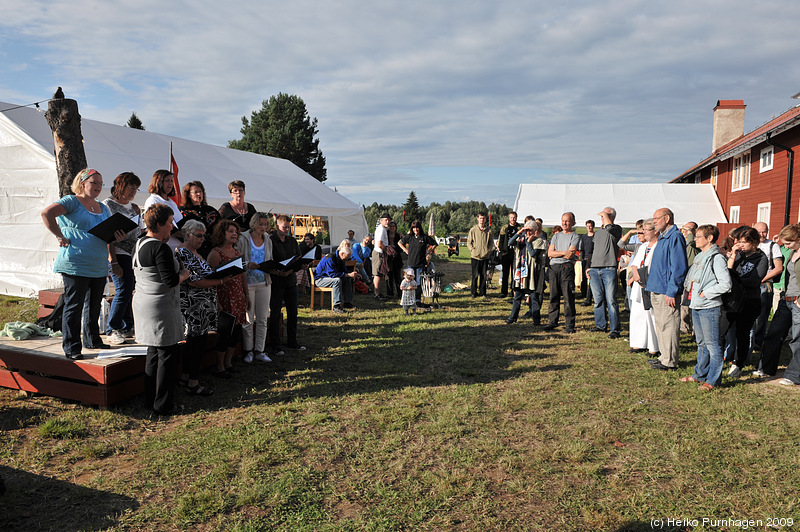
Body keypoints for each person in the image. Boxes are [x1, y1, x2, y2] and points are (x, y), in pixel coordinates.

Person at [41, 168, 123, 359]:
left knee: (94, 305)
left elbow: (108, 235)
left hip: (98, 263)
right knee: (74, 305)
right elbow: (46, 213)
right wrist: (59, 235)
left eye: (101, 184)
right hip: (75, 261)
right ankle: (72, 347)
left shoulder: (104, 208)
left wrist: (117, 236)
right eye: (94, 182)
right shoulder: (71, 201)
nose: (98, 187)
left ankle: (92, 339)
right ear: (82, 183)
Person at [132, 203, 190, 415]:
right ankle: (163, 404)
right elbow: (170, 280)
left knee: (153, 353)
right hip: (160, 306)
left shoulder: (140, 243)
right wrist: (185, 275)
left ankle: (151, 400)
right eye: (169, 223)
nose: (172, 227)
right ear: (158, 224)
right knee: (167, 354)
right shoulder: (160, 247)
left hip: (143, 302)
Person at [680, 224, 732, 390]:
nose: (695, 239)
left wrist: (705, 293)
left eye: (698, 236)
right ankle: (699, 375)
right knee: (701, 343)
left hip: (709, 306)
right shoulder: (700, 257)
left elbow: (725, 284)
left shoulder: (716, 258)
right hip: (697, 305)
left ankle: (713, 380)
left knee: (713, 345)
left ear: (709, 238)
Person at [175, 219, 220, 396]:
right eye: (199, 236)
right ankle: (193, 382)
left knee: (197, 343)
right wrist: (221, 280)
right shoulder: (183, 252)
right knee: (194, 344)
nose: (202, 239)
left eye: (204, 236)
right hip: (193, 307)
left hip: (203, 306)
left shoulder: (197, 252)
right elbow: (194, 281)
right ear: (188, 234)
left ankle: (187, 377)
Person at [102, 172, 143, 345]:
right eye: (130, 187)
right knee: (123, 289)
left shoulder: (134, 207)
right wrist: (114, 261)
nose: (133, 192)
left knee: (130, 289)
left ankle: (127, 325)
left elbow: (139, 231)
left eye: (136, 188)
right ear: (120, 186)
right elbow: (107, 235)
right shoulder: (108, 205)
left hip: (133, 253)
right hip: (118, 253)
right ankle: (113, 328)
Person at [754, 225, 800, 377]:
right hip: (785, 299)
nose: (785, 247)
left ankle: (794, 375)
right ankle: (765, 369)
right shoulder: (792, 252)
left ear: (798, 240)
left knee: (796, 339)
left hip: (797, 302)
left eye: (788, 243)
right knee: (773, 334)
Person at [645, 207, 688, 371]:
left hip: (666, 291)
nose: (654, 221)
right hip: (657, 288)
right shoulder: (663, 238)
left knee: (669, 324)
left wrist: (672, 291)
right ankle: (664, 356)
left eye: (657, 218)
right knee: (661, 324)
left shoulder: (675, 237)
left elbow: (678, 267)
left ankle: (670, 361)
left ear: (667, 218)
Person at [724, 226, 768, 378]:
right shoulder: (738, 255)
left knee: (742, 333)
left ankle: (739, 363)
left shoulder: (761, 258)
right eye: (739, 241)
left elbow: (754, 281)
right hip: (734, 299)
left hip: (750, 300)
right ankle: (724, 357)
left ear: (754, 243)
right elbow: (727, 272)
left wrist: (734, 280)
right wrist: (734, 254)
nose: (741, 245)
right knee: (724, 329)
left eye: (745, 242)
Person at [207, 219, 250, 376]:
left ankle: (228, 363)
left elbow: (242, 276)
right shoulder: (215, 253)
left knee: (236, 332)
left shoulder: (238, 253)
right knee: (225, 333)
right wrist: (216, 302)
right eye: (230, 231)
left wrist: (247, 295)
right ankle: (219, 367)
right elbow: (210, 281)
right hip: (223, 297)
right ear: (222, 234)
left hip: (237, 296)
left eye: (235, 232)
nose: (234, 234)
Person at [237, 212, 274, 364]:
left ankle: (260, 349)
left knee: (262, 318)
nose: (263, 227)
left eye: (266, 224)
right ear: (254, 223)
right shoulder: (243, 238)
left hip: (264, 282)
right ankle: (248, 350)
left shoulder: (268, 239)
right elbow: (237, 260)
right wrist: (247, 265)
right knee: (248, 319)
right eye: (261, 224)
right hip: (247, 284)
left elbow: (270, 258)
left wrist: (271, 266)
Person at [268, 214, 305, 355]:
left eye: (289, 227)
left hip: (290, 280)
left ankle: (292, 341)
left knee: (293, 313)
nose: (287, 230)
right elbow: (269, 262)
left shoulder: (292, 241)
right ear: (277, 226)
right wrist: (278, 273)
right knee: (276, 314)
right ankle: (276, 345)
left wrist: (302, 265)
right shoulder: (270, 241)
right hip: (276, 282)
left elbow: (298, 257)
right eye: (284, 227)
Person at [625, 219, 660, 357]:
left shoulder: (659, 245)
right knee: (637, 314)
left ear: (655, 231)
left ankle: (654, 347)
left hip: (651, 284)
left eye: (646, 230)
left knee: (651, 316)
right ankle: (638, 343)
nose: (643, 233)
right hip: (639, 284)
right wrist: (635, 275)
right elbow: (635, 264)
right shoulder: (643, 246)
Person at [587, 207, 623, 339]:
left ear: (611, 216)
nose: (602, 217)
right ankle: (600, 325)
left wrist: (605, 215)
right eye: (602, 215)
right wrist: (588, 267)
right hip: (595, 269)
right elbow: (593, 250)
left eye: (605, 215)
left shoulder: (616, 229)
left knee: (611, 300)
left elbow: (610, 228)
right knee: (598, 300)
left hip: (609, 268)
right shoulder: (598, 233)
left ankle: (615, 329)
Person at [749, 222, 784, 355]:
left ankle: (758, 342)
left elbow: (778, 268)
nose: (762, 234)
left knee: (761, 316)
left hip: (764, 283)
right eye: (759, 232)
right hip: (749, 283)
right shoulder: (750, 244)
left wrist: (762, 279)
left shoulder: (772, 246)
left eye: (764, 231)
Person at [543, 212, 580, 333]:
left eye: (567, 221)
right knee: (553, 295)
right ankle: (552, 321)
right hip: (554, 268)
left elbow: (570, 254)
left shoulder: (575, 236)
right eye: (563, 220)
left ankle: (570, 324)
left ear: (573, 222)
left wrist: (557, 253)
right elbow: (550, 253)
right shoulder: (556, 236)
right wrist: (563, 253)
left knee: (568, 296)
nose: (564, 223)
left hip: (566, 268)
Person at [505, 221, 547, 324]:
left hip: (532, 273)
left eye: (530, 230)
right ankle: (512, 318)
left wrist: (528, 242)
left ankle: (536, 320)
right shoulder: (521, 239)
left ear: (534, 231)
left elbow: (533, 254)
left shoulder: (539, 241)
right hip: (521, 272)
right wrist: (519, 233)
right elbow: (510, 242)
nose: (527, 232)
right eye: (526, 230)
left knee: (534, 297)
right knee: (517, 296)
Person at [314, 240, 359, 313]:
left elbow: (344, 271)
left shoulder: (341, 259)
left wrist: (352, 274)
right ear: (341, 254)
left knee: (347, 279)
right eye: (346, 258)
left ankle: (347, 302)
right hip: (320, 279)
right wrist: (347, 274)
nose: (346, 260)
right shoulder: (330, 258)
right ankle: (336, 306)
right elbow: (332, 274)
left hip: (328, 278)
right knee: (337, 280)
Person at [399, 220, 437, 303]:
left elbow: (435, 243)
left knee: (419, 282)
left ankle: (418, 299)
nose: (415, 229)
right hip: (411, 263)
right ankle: (410, 298)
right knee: (410, 281)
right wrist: (405, 250)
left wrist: (429, 252)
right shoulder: (409, 237)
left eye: (417, 228)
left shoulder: (424, 237)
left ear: (420, 228)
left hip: (420, 263)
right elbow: (400, 242)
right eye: (414, 228)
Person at [179, 180, 220, 258]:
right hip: (192, 251)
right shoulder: (182, 211)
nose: (199, 194)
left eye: (200, 191)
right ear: (188, 194)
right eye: (196, 192)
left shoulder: (211, 210)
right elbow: (175, 231)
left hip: (211, 249)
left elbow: (221, 226)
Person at [467, 212, 494, 299]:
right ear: (477, 219)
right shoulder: (473, 230)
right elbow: (469, 242)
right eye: (480, 218)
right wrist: (472, 250)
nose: (482, 220)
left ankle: (483, 292)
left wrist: (488, 251)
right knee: (475, 275)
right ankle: (473, 292)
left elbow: (491, 243)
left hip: (485, 257)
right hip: (475, 257)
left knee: (483, 275)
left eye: (483, 218)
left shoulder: (488, 231)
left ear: (485, 219)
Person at [680, 222, 699, 335]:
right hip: (685, 277)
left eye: (688, 229)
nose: (686, 232)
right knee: (684, 305)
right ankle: (684, 327)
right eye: (684, 229)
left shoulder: (695, 242)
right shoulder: (684, 242)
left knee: (691, 305)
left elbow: (692, 242)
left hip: (693, 278)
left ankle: (694, 330)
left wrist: (691, 232)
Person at [497, 212, 520, 298]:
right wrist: (501, 251)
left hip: (515, 253)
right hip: (506, 253)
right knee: (505, 273)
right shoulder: (505, 228)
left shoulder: (519, 228)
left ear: (516, 218)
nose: (513, 219)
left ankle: (514, 290)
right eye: (511, 217)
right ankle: (504, 292)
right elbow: (501, 239)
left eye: (514, 217)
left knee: (514, 274)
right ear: (509, 218)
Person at [371, 213, 392, 301]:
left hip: (379, 253)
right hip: (379, 253)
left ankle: (378, 293)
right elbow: (379, 244)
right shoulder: (381, 229)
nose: (388, 222)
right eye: (386, 220)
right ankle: (376, 294)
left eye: (389, 220)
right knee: (377, 274)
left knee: (379, 273)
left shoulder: (382, 228)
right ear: (381, 220)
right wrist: (386, 250)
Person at [386, 221, 403, 297]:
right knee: (389, 276)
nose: (392, 228)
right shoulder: (385, 235)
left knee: (397, 277)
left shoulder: (398, 236)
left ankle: (400, 293)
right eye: (391, 226)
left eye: (393, 226)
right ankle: (390, 294)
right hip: (388, 258)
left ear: (396, 228)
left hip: (397, 258)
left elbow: (403, 245)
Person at [580, 220, 595, 306]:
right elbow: (582, 248)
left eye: (590, 226)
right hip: (585, 258)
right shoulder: (584, 237)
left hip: (592, 259)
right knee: (584, 277)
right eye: (587, 226)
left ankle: (590, 295)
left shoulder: (595, 236)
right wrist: (581, 258)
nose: (589, 228)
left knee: (591, 277)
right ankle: (584, 293)